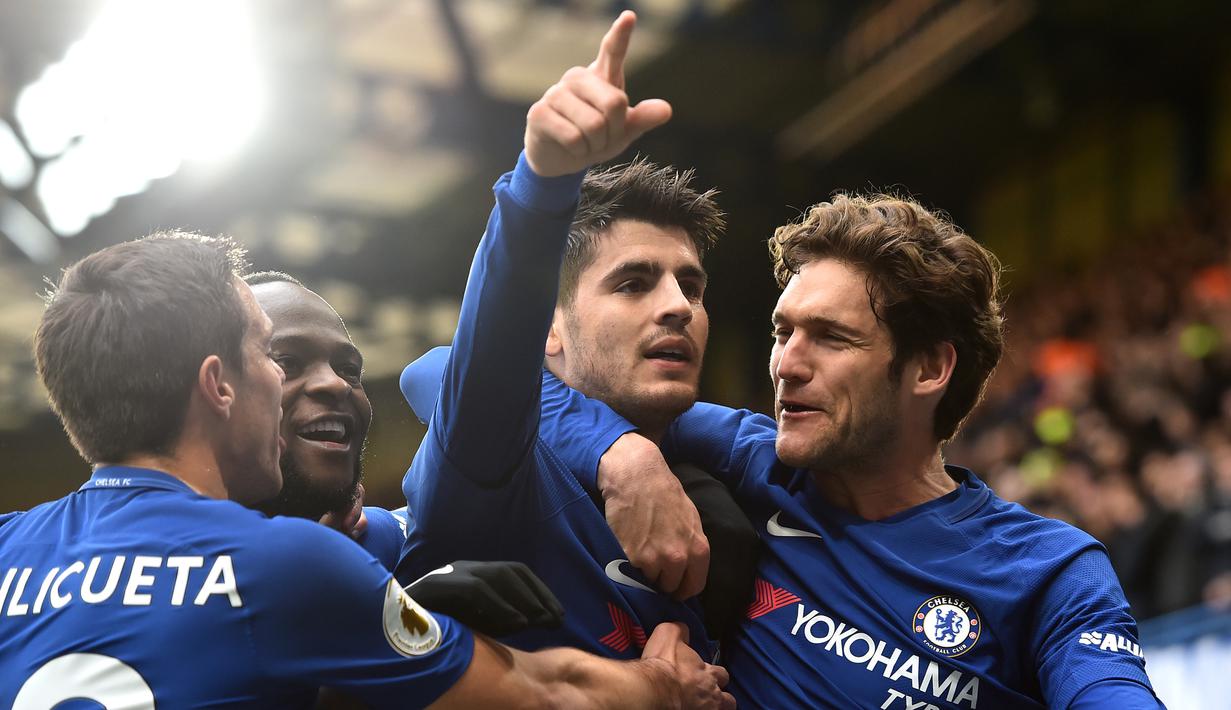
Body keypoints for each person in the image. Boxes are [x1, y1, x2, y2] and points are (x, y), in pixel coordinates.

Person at [0, 20, 734, 704]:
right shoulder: (293, 568)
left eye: (349, 368)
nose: (326, 387)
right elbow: (463, 375)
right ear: (217, 385)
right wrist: (662, 685)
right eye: (273, 356)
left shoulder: (11, 552)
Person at [525, 194, 1166, 707]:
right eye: (784, 332)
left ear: (927, 369)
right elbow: (446, 375)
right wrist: (620, 454)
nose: (787, 365)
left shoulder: (1047, 569)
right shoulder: (753, 460)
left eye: (830, 338)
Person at [396, 9, 758, 661]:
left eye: (692, 286)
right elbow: (470, 353)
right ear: (548, 334)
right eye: (632, 283)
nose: (678, 305)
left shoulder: (719, 480)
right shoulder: (493, 465)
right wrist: (545, 178)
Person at [249, 270, 566, 636]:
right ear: (213, 390)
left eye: (349, 369)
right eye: (286, 362)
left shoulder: (384, 540)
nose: (336, 383)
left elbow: (445, 370)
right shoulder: (176, 568)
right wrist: (396, 626)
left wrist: (610, 446)